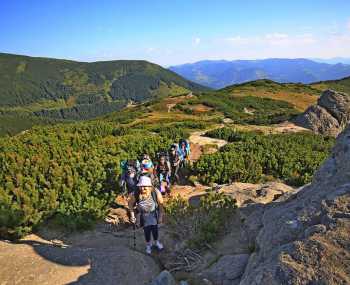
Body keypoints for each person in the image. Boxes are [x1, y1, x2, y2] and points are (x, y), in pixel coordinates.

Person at [128, 175, 164, 254]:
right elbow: (130, 204)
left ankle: (156, 242)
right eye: (141, 186)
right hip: (143, 216)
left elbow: (161, 205)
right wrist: (132, 215)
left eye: (145, 186)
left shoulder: (155, 192)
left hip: (154, 215)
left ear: (150, 186)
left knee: (155, 230)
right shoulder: (136, 194)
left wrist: (160, 217)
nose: (143, 188)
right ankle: (148, 245)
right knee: (147, 231)